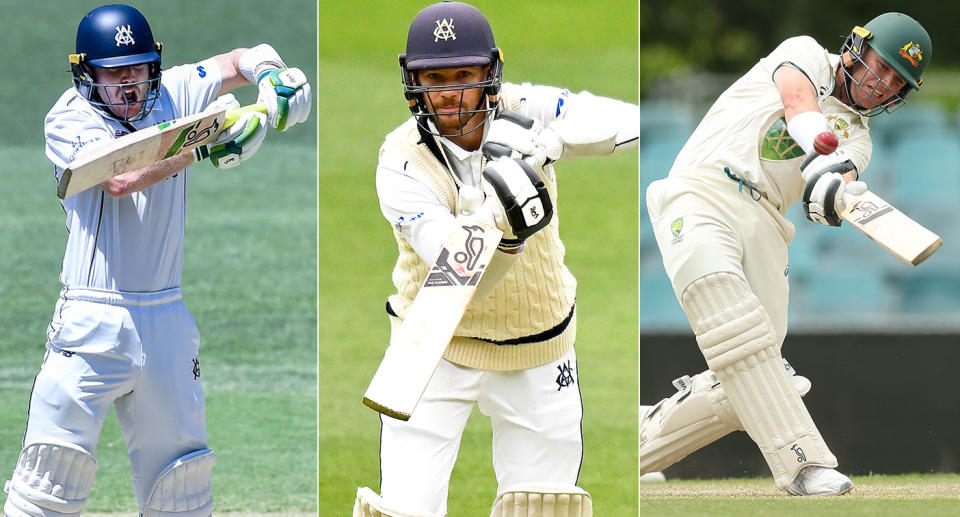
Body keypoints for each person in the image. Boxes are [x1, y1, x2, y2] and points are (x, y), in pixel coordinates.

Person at [2, 4, 310, 516]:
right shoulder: (69, 117)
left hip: (166, 319)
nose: (129, 84)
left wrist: (272, 75)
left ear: (154, 67)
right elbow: (118, 177)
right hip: (90, 320)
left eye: (139, 70)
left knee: (182, 490)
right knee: (48, 485)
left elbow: (240, 58)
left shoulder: (173, 92)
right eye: (114, 73)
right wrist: (204, 144)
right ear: (87, 74)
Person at [352, 2, 637, 516]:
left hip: (538, 346)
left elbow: (626, 121)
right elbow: (456, 280)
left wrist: (549, 140)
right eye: (434, 77)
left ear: (492, 71)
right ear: (412, 79)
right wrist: (501, 225)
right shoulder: (399, 160)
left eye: (465, 74)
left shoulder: (525, 106)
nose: (450, 92)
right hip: (434, 347)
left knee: (542, 508)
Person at [639, 12, 931, 496]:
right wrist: (821, 155)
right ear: (859, 48)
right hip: (702, 189)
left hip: (768, 223)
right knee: (728, 317)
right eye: (881, 68)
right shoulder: (807, 54)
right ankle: (803, 465)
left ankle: (638, 443)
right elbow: (796, 101)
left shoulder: (858, 138)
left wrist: (832, 194)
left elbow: (841, 185)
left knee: (756, 375)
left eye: (895, 83)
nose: (881, 85)